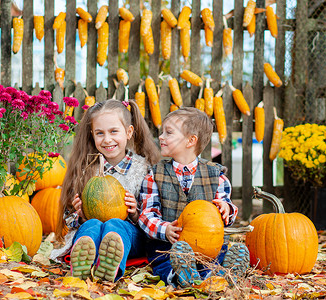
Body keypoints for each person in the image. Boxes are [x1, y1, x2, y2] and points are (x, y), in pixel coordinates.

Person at [138, 107, 250, 287]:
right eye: (162, 132)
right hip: (170, 246)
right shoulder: (154, 175)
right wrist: (165, 229)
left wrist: (225, 209)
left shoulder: (216, 175)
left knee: (214, 258)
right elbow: (146, 215)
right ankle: (179, 276)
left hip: (208, 247)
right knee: (163, 262)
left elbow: (227, 210)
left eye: (169, 133)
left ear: (191, 140)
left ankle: (221, 274)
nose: (161, 137)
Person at [56, 99, 160, 282]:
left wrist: (135, 213)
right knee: (91, 226)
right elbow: (69, 217)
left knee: (114, 226)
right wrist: (80, 215)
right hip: (93, 229)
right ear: (92, 135)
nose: (107, 139)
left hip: (128, 234)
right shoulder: (86, 168)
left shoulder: (142, 169)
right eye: (100, 133)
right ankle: (82, 263)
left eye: (113, 131)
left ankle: (110, 267)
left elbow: (153, 215)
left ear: (128, 132)